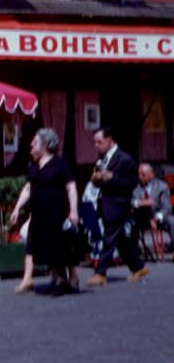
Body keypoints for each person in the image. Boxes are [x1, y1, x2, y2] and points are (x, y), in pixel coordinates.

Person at [10, 128, 79, 295]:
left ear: (46, 145)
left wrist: (74, 210)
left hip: (56, 212)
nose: (31, 145)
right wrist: (17, 208)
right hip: (38, 214)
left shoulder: (59, 164)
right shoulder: (34, 167)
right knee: (42, 247)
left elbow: (71, 187)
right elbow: (27, 189)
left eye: (35, 143)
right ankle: (56, 279)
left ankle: (63, 280)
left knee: (57, 246)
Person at [87, 126, 149, 287]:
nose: (96, 145)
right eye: (95, 142)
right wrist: (97, 179)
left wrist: (113, 178)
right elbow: (102, 179)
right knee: (120, 239)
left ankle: (100, 273)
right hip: (106, 203)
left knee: (109, 238)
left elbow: (132, 183)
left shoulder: (124, 159)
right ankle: (138, 267)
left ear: (110, 140)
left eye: (99, 142)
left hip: (118, 204)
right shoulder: (104, 158)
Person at [132, 163, 174, 249]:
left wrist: (156, 218)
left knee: (172, 221)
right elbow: (129, 201)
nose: (140, 177)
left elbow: (167, 207)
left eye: (143, 175)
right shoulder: (135, 186)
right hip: (141, 217)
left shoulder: (162, 186)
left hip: (157, 216)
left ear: (151, 174)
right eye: (139, 174)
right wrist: (139, 202)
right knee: (127, 223)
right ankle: (133, 251)